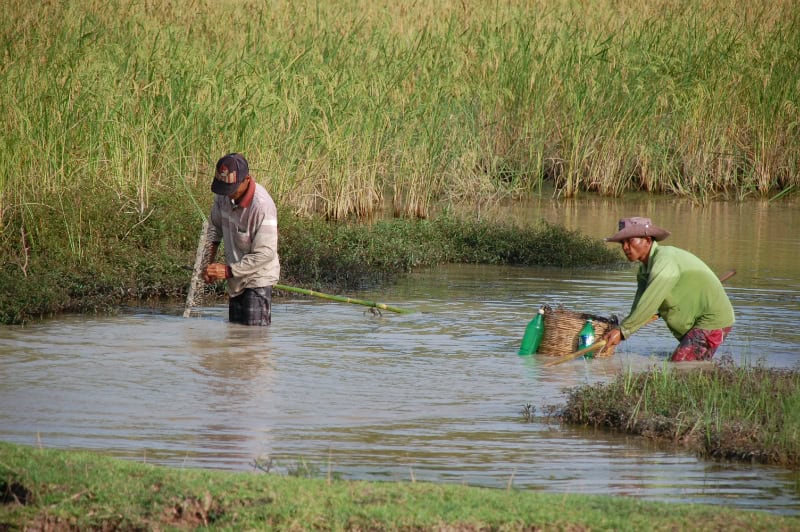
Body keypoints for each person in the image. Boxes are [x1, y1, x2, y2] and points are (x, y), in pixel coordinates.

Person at [601, 217, 734, 362]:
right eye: (622, 243)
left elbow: (649, 304)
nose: (625, 247)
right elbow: (639, 308)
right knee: (691, 369)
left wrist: (623, 331)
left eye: (630, 241)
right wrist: (622, 329)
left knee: (679, 367)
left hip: (711, 320)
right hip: (693, 321)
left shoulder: (664, 262)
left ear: (647, 240)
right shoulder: (644, 270)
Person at [203, 153, 280, 325]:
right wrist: (207, 264)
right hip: (235, 279)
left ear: (247, 180)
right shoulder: (223, 195)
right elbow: (214, 229)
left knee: (253, 339)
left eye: (231, 189)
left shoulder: (262, 207)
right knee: (236, 338)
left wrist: (228, 271)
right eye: (224, 189)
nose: (228, 195)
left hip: (257, 277)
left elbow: (266, 253)